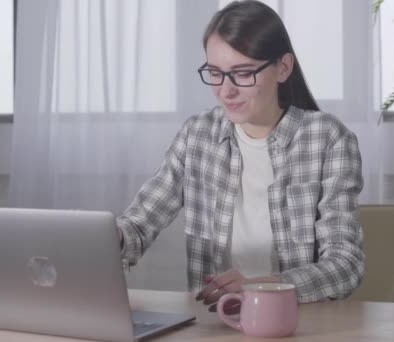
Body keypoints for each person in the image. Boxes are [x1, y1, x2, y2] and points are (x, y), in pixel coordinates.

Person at [116, 0, 364, 313]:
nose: (225, 91)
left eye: (243, 74)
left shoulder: (327, 139)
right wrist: (114, 238)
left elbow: (345, 266)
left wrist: (261, 287)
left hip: (298, 321)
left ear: (283, 68)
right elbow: (138, 225)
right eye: (216, 73)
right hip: (214, 323)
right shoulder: (197, 135)